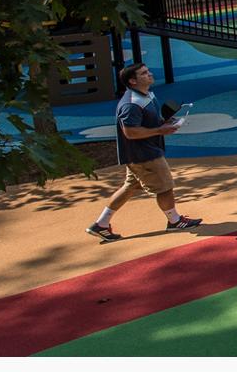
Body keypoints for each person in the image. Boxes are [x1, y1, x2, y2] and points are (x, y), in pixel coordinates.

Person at [86, 62, 201, 242]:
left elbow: (147, 122)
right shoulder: (131, 104)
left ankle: (101, 224)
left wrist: (164, 121)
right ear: (132, 81)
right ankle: (174, 221)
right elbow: (130, 132)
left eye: (148, 71)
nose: (150, 74)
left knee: (131, 186)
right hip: (144, 154)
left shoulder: (146, 94)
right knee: (165, 186)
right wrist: (159, 131)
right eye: (144, 73)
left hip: (140, 153)